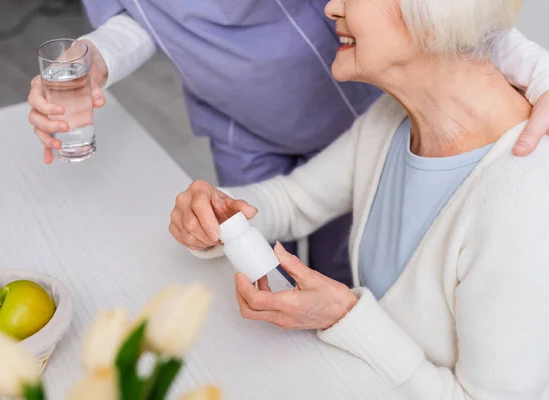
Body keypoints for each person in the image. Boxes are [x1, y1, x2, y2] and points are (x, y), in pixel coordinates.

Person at [169, 0, 549, 397]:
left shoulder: (524, 201)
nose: (331, 7)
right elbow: (293, 201)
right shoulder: (393, 120)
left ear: (430, 17)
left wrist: (345, 318)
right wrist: (216, 214)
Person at [28, 0, 549, 287]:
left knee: (349, 264)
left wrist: (540, 73)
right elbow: (151, 17)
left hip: (344, 109)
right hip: (238, 121)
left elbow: (436, 15)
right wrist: (96, 56)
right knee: (253, 255)